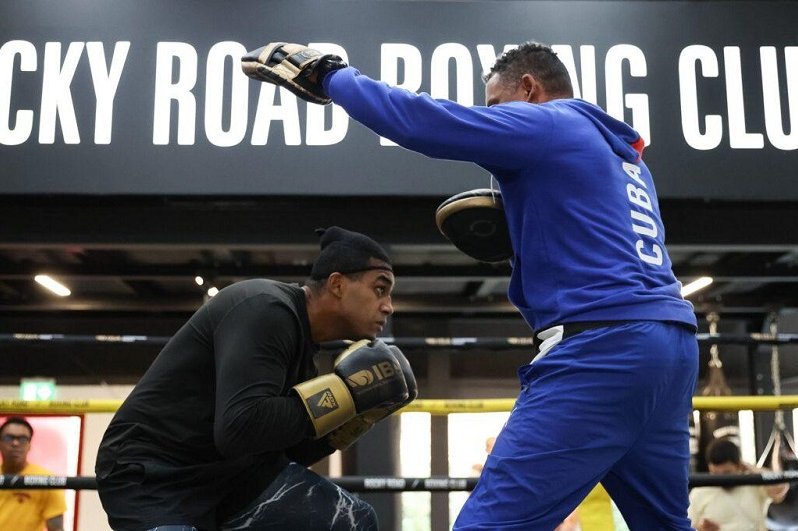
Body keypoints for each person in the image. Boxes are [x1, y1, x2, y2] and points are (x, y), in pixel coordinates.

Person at [242, 41, 699, 529]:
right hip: (671, 347)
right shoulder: (627, 162)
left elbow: (426, 121)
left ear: (529, 88)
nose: (495, 121)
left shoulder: (549, 122)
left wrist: (332, 76)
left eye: (497, 108)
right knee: (665, 525)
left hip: (604, 352)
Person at [96, 226, 417, 531]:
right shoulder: (264, 308)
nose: (388, 306)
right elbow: (238, 428)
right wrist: (346, 392)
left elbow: (284, 453)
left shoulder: (305, 352)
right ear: (337, 285)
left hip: (230, 477)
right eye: (380, 289)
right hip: (155, 475)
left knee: (351, 520)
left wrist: (351, 420)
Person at [689, 438, 788, 531]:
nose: (721, 479)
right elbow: (687, 526)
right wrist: (701, 528)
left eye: (726, 473)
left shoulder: (752, 483)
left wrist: (751, 468)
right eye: (715, 474)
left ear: (739, 466)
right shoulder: (699, 492)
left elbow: (780, 487)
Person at [0, 416, 66, 531]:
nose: (15, 443)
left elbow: (57, 529)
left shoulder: (47, 480)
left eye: (22, 439)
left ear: (29, 445)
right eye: (9, 438)